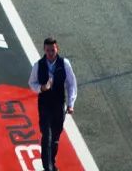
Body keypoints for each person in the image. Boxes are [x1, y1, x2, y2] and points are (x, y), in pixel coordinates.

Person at [28, 37, 76, 171]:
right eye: (48, 50)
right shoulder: (38, 65)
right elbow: (31, 83)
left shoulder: (64, 64)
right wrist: (42, 88)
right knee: (47, 137)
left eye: (52, 50)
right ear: (44, 50)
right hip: (44, 105)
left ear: (57, 49)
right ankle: (47, 168)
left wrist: (71, 104)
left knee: (55, 138)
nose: (50, 53)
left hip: (59, 105)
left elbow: (72, 84)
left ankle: (51, 162)